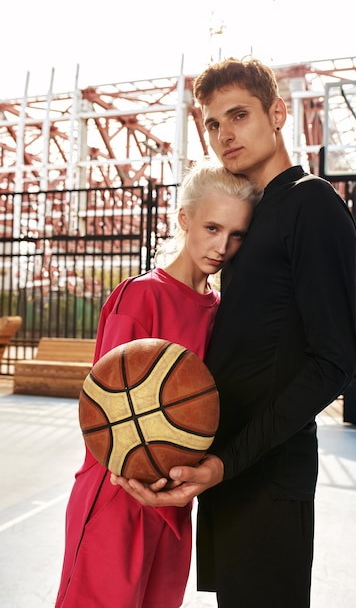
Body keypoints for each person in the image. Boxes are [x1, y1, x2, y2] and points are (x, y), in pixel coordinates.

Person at [112, 57, 356, 608]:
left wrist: (227, 461)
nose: (225, 135)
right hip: (227, 472)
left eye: (239, 115)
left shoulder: (312, 204)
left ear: (278, 113)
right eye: (213, 124)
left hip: (267, 474)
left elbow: (333, 361)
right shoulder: (252, 217)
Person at [54, 158, 260, 608]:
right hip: (119, 492)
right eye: (211, 228)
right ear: (185, 219)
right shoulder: (141, 295)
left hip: (176, 501)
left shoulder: (222, 311)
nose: (222, 246)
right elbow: (103, 412)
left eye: (236, 234)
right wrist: (136, 479)